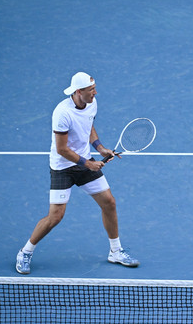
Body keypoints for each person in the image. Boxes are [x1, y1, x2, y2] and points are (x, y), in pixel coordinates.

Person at [15, 72, 140, 274]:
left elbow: (89, 125)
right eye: (92, 90)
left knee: (109, 202)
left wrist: (99, 148)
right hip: (62, 167)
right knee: (55, 216)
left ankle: (115, 251)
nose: (95, 92)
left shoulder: (92, 103)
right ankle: (25, 252)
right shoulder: (62, 113)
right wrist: (88, 164)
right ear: (78, 92)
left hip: (83, 161)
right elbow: (62, 149)